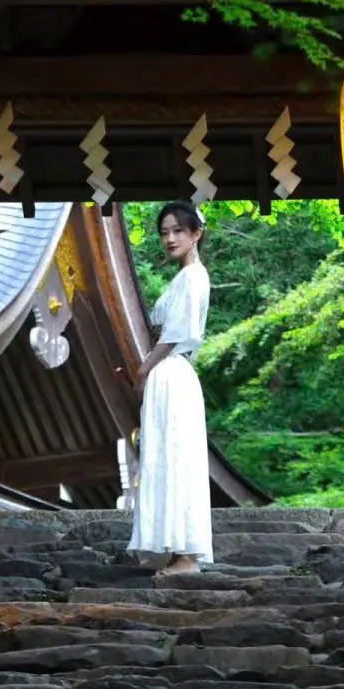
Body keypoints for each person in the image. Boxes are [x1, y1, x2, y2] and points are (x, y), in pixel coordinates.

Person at [128, 201, 213, 576]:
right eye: (164, 232)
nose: (170, 238)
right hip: (169, 374)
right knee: (165, 456)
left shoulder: (193, 276)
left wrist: (143, 370)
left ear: (196, 234)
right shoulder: (184, 277)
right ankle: (173, 549)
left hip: (173, 371)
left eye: (178, 230)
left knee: (177, 458)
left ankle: (186, 556)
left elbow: (179, 332)